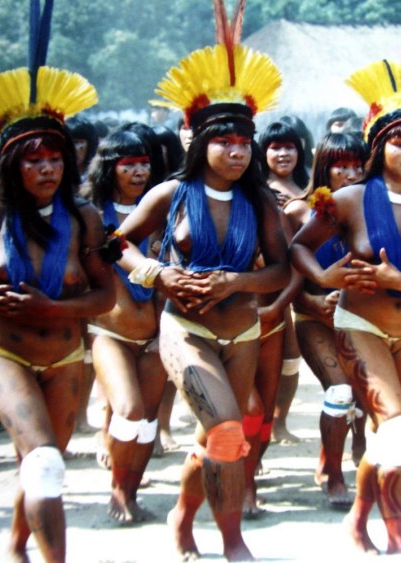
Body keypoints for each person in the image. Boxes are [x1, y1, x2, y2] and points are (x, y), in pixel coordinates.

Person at [117, 3, 287, 557]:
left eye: (244, 143)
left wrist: (235, 283)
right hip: (184, 330)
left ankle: (182, 518)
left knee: (217, 439)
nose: (237, 152)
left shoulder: (260, 200)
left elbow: (282, 270)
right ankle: (233, 541)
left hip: (242, 332)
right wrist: (160, 272)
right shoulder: (171, 194)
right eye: (225, 142)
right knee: (227, 432)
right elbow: (116, 243)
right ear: (200, 142)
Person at [293, 5, 401, 551]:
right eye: (399, 144)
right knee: (398, 427)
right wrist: (325, 275)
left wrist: (398, 278)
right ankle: (394, 535)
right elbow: (298, 248)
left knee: (395, 436)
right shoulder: (346, 199)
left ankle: (369, 522)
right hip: (360, 324)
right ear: (378, 147)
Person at [0, 55, 115, 559]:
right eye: (33, 160)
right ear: (11, 164)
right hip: (5, 353)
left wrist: (52, 309)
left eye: (55, 159)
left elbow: (105, 297)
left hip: (65, 356)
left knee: (41, 463)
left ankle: (17, 545)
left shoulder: (83, 219)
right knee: (43, 462)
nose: (47, 169)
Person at [84, 130, 167, 523]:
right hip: (110, 332)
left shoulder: (162, 210)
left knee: (148, 421)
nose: (139, 172)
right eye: (128, 165)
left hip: (158, 333)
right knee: (129, 410)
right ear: (109, 168)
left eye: (144, 164)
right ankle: (117, 490)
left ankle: (130, 492)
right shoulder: (90, 215)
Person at [284, 132, 367, 509]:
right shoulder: (297, 212)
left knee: (363, 396)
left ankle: (343, 454)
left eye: (357, 166)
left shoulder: (370, 207)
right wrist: (314, 302)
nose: (350, 174)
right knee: (340, 392)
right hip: (313, 319)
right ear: (323, 167)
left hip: (360, 318)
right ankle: (333, 474)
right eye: (341, 166)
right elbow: (284, 275)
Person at [257, 121, 309, 445]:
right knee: (267, 359)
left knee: (291, 359)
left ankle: (280, 421)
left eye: (289, 147)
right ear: (263, 152)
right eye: (275, 147)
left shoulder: (311, 187)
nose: (283, 154)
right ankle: (259, 426)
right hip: (267, 285)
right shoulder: (258, 189)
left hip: (305, 283)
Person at [66, 116, 99, 183]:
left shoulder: (99, 178)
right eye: (67, 142)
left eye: (77, 142)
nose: (71, 148)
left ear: (90, 144)